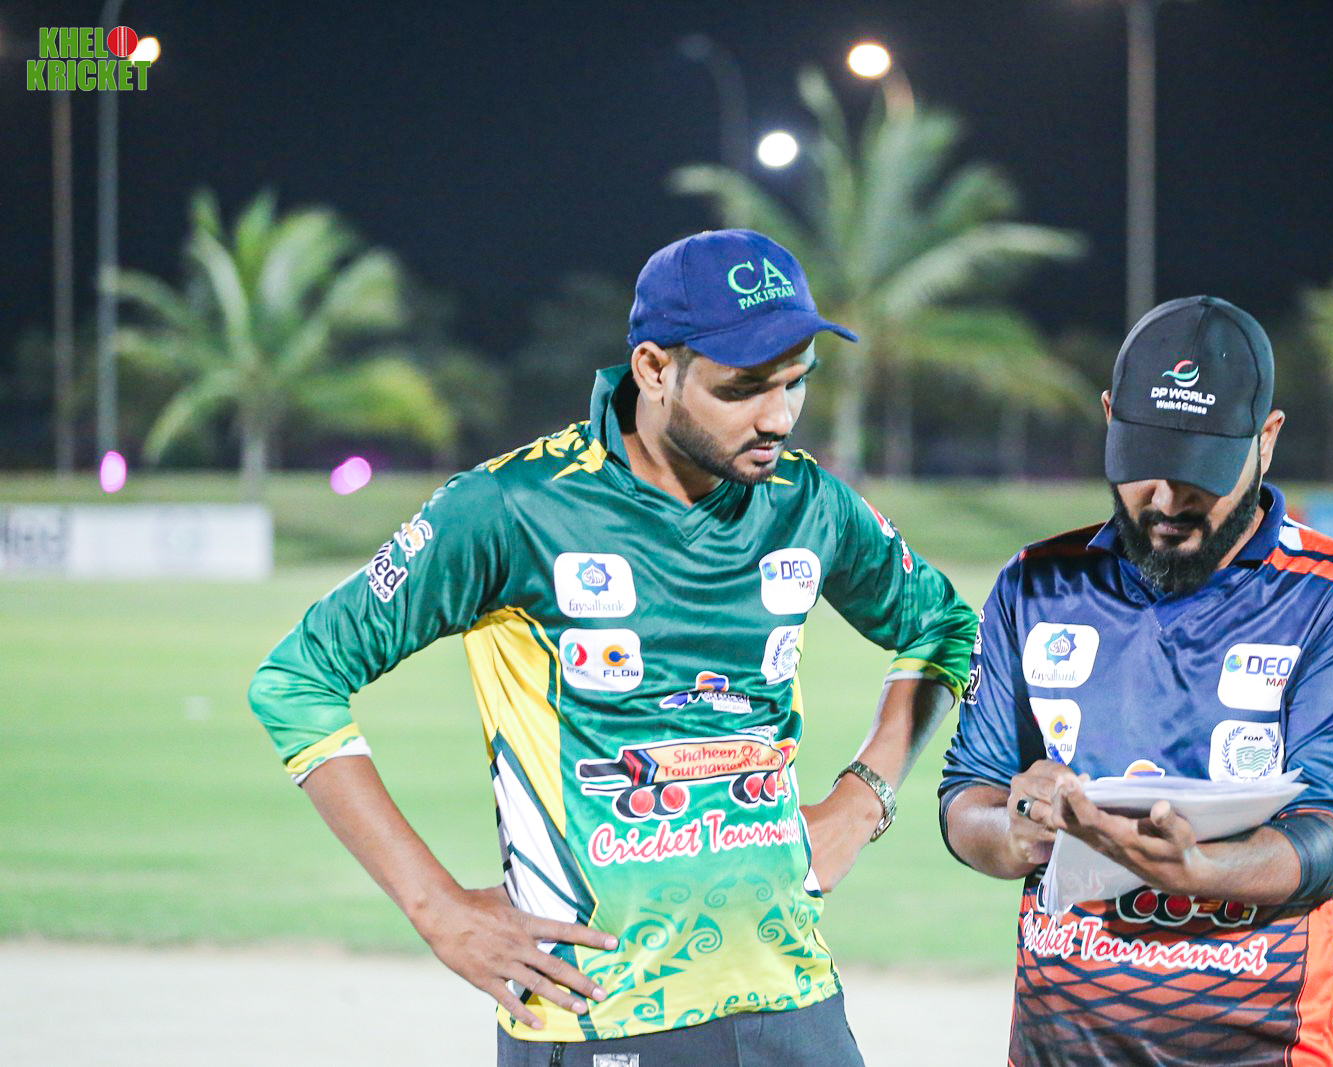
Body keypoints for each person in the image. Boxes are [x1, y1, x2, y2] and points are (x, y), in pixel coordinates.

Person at [248, 228, 977, 1065]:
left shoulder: (809, 503)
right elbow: (297, 679)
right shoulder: (511, 508)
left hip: (795, 1000)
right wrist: (436, 906)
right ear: (654, 369)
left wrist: (863, 797)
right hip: (598, 1015)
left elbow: (946, 625)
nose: (777, 417)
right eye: (743, 388)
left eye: (796, 381)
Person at [940, 295, 1333, 1066]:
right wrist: (1018, 826)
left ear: (1266, 440)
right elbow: (967, 798)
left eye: (1201, 472)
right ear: (1110, 419)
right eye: (1145, 462)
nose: (1167, 500)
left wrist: (1198, 869)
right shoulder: (1034, 583)